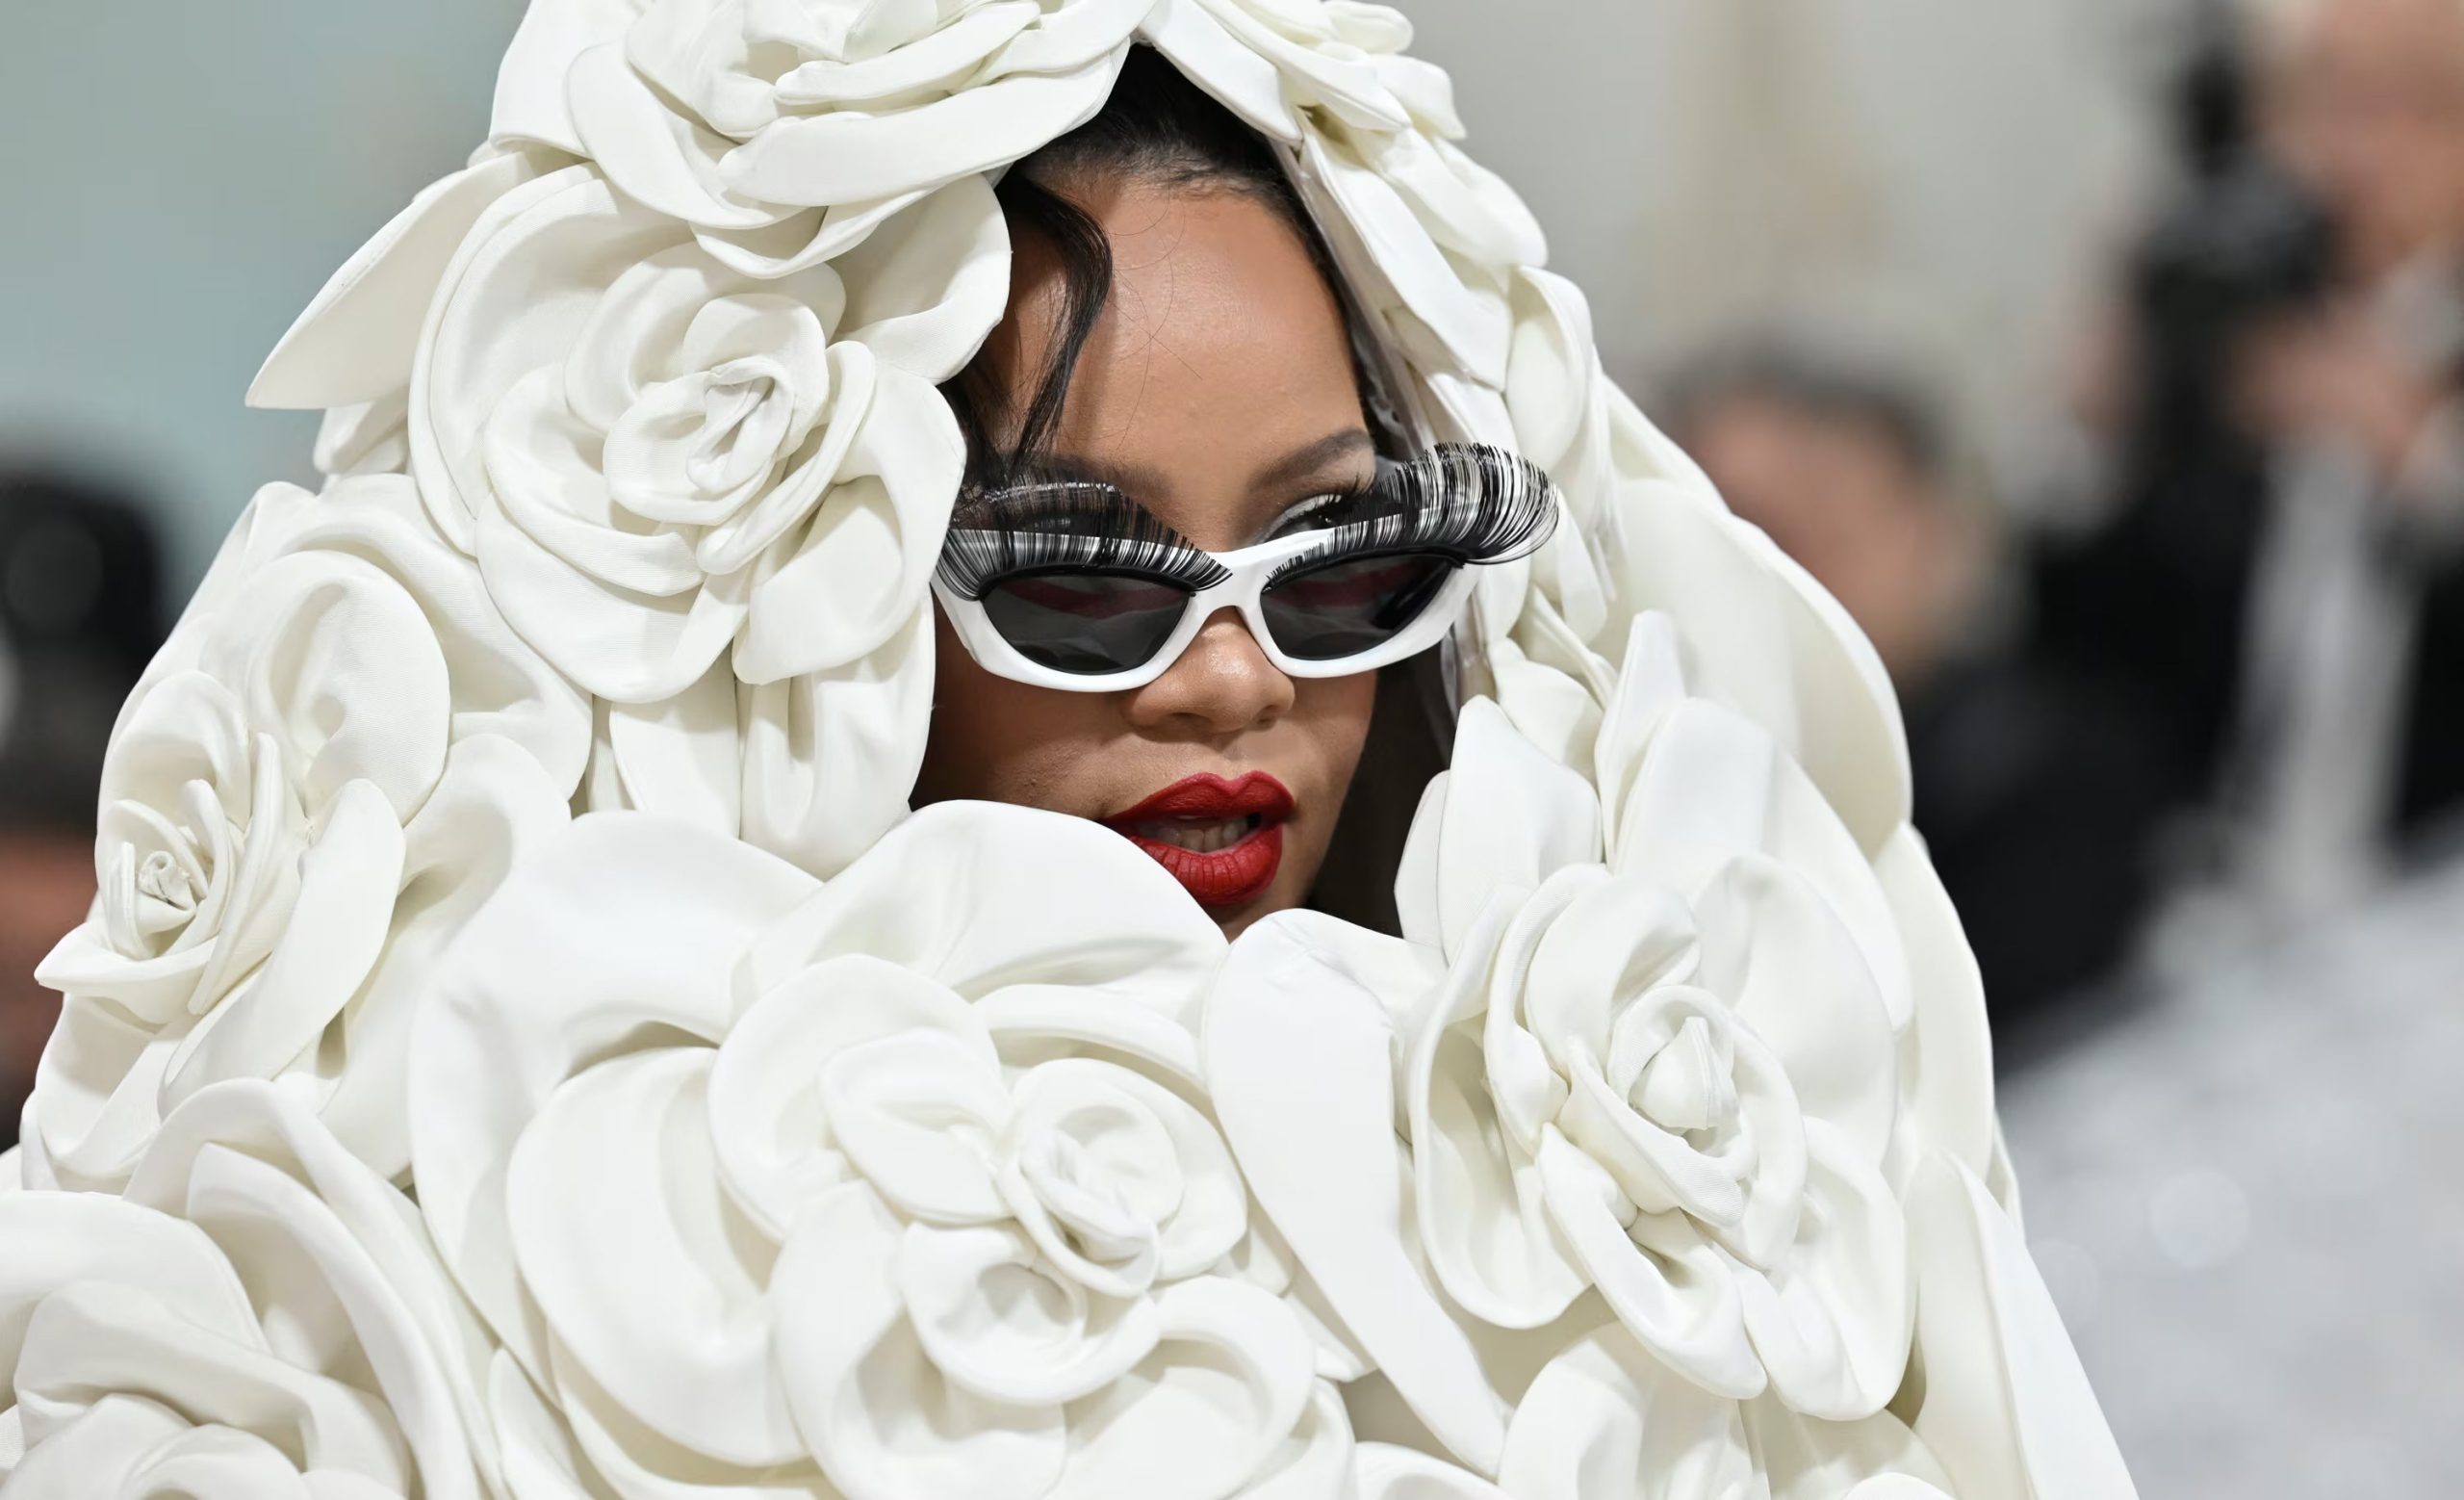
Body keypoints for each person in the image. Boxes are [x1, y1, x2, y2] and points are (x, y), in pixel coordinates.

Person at [0, 14, 2131, 1498]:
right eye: (1083, 573)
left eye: (1343, 555)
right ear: (783, 593)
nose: (1231, 680)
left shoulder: (1670, 1256)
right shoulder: (473, 1291)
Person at [1672, 342, 2172, 1024]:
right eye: (1743, 525)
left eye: (1826, 519)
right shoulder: (1652, 786)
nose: (1785, 568)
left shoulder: (2055, 776)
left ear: (1937, 530)